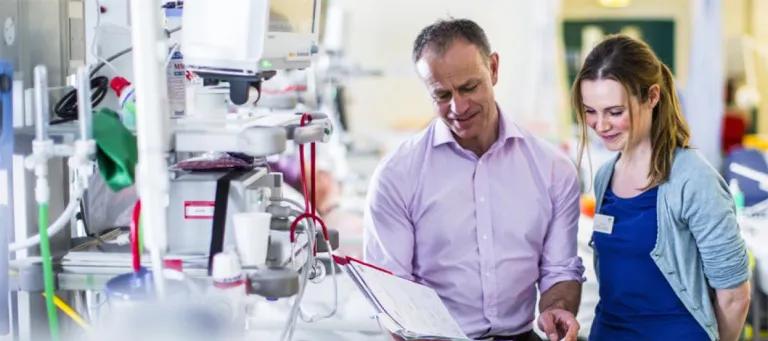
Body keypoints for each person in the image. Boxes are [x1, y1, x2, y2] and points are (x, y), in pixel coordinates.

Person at [364, 18, 584, 341]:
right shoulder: (396, 176)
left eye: (469, 87)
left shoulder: (553, 169)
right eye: (442, 95)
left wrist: (557, 308)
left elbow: (560, 271)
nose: (459, 106)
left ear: (493, 68)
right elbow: (392, 295)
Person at [572, 35, 751, 341]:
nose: (600, 125)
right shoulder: (605, 177)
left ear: (652, 96)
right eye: (590, 111)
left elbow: (735, 297)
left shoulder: (693, 179)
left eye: (614, 112)